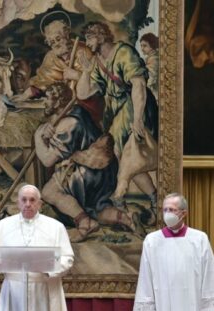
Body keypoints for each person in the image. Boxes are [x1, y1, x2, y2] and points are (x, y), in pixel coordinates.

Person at [70, 21, 160, 223]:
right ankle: (153, 199)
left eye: (89, 38)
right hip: (116, 111)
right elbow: (84, 93)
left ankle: (120, 197)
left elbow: (138, 85)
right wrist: (84, 72)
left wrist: (137, 118)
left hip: (135, 106)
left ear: (100, 36)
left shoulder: (124, 52)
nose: (87, 43)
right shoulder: (98, 60)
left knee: (118, 151)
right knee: (124, 157)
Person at [34, 82, 138, 241]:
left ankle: (85, 223)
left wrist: (37, 138)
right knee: (96, 207)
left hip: (88, 172)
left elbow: (48, 160)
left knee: (49, 192)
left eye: (47, 99)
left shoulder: (68, 124)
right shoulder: (79, 112)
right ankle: (126, 218)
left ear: (58, 102)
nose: (44, 103)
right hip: (106, 172)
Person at [139, 33, 159, 102]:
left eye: (145, 46)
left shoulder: (154, 59)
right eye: (141, 46)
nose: (142, 49)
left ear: (152, 45)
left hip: (154, 95)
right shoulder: (150, 58)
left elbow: (151, 79)